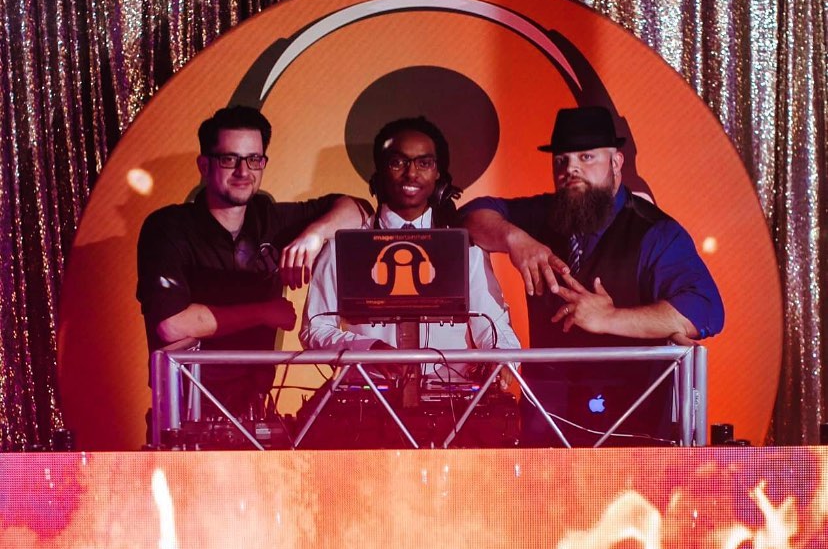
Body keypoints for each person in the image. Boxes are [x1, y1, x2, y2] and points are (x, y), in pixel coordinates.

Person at [461, 105, 724, 446]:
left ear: (616, 163)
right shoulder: (543, 214)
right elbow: (468, 217)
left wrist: (610, 318)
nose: (571, 169)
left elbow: (705, 311)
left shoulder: (654, 232)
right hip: (548, 422)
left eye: (586, 158)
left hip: (631, 426)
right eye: (562, 161)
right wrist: (513, 238)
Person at [136, 105, 366, 421]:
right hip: (185, 413)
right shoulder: (168, 227)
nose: (244, 172)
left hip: (255, 410)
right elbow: (172, 324)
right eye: (229, 159)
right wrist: (264, 312)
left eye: (254, 159)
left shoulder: (270, 219)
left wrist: (314, 235)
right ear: (204, 165)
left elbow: (358, 209)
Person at [299, 116, 520, 385]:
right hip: (369, 398)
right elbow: (315, 328)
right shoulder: (342, 246)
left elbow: (492, 324)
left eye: (424, 163)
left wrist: (503, 360)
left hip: (455, 400)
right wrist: (370, 351)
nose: (411, 174)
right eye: (398, 162)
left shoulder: (466, 247)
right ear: (380, 170)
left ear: (439, 173)